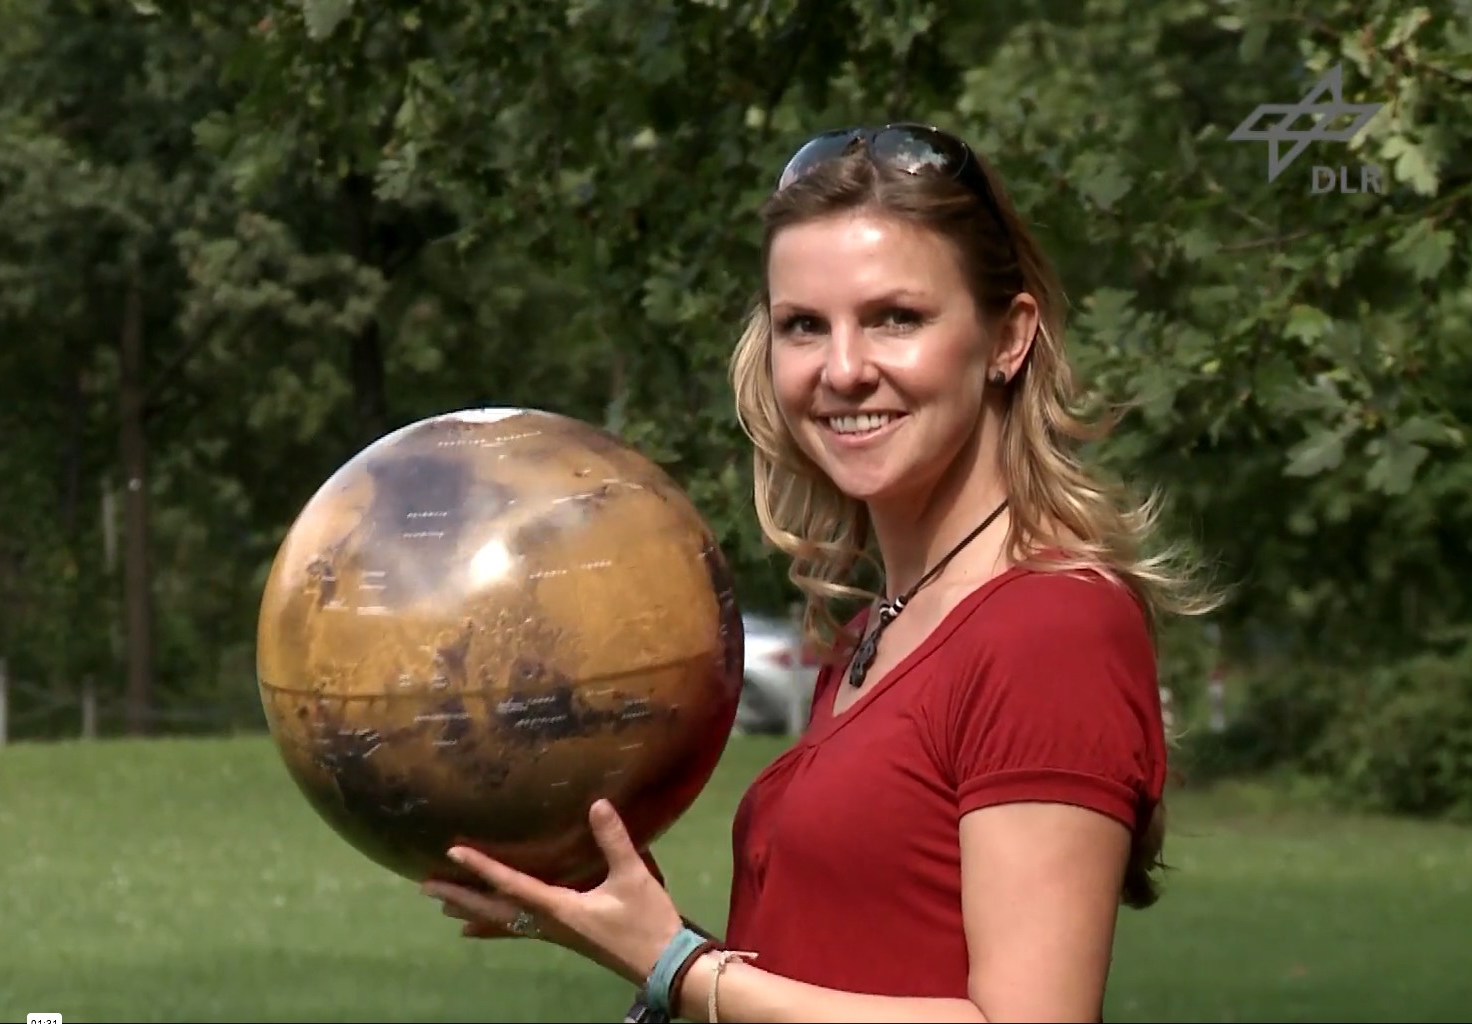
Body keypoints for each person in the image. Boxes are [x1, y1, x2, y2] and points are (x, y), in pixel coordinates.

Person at [420, 123, 1223, 1022]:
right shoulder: (877, 629)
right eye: (804, 326)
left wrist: (676, 965)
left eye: (896, 318)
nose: (843, 370)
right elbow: (850, 968)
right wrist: (624, 930)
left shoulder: (1051, 628)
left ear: (1008, 338)